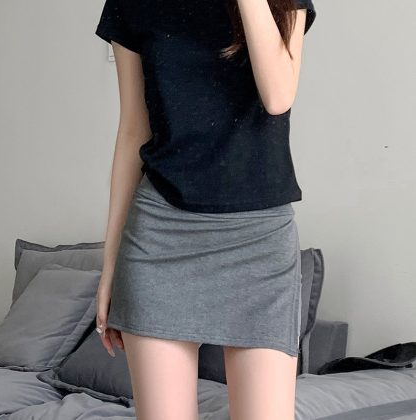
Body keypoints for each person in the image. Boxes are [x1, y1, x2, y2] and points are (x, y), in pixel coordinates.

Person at [94, 0, 316, 418]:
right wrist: (110, 267)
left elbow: (278, 95)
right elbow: (133, 131)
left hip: (259, 244)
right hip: (160, 241)